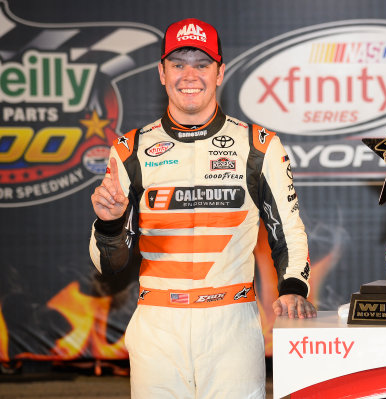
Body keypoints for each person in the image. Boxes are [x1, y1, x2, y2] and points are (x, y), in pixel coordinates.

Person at [89, 17, 316, 399]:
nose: (189, 75)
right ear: (162, 73)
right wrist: (109, 225)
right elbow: (106, 265)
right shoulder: (129, 150)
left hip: (232, 325)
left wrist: (293, 287)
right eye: (178, 64)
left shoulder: (259, 146)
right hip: (157, 326)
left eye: (201, 64)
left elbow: (288, 230)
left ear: (220, 71)